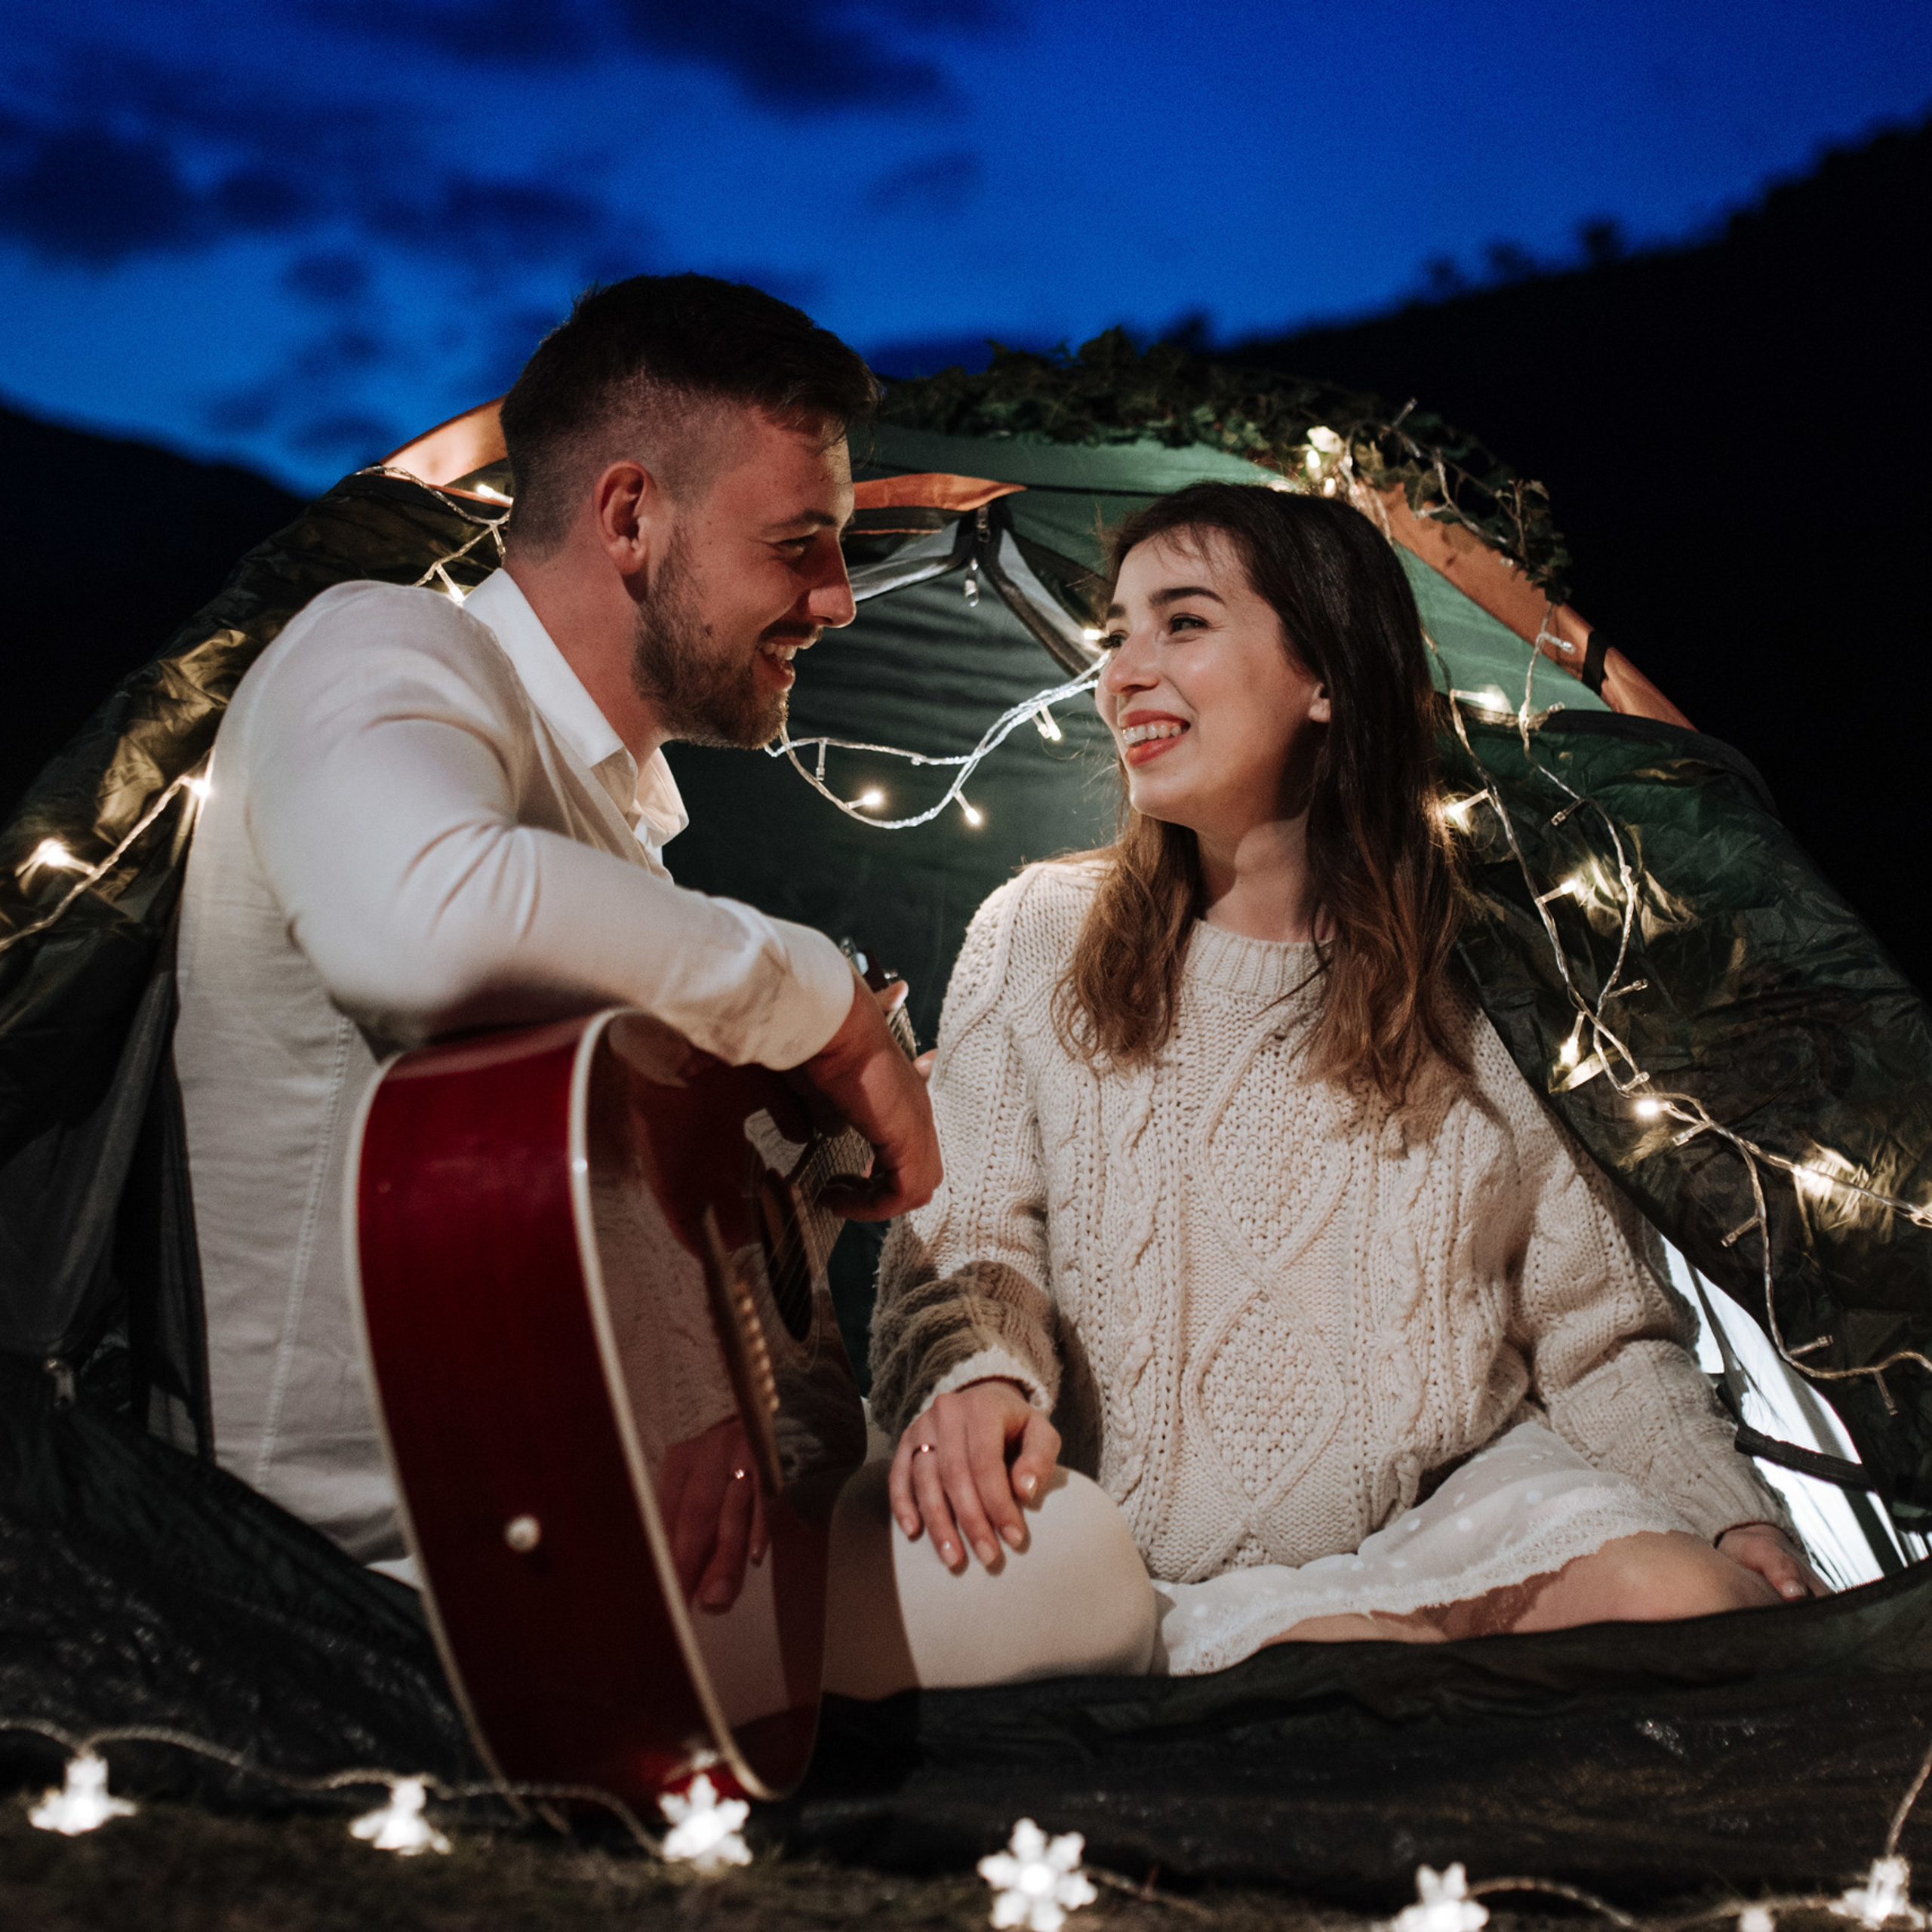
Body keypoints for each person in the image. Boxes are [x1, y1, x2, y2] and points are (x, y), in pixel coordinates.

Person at [824, 481, 1823, 1697]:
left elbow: (1600, 1334)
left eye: (1182, 623)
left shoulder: (1484, 979)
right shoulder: (1039, 932)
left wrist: (1733, 1521)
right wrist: (977, 1377)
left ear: (1326, 678)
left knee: (1695, 1610)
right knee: (1338, 1686)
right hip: (1150, 1558)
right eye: (1116, 634)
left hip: (1461, 1516)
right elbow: (967, 1231)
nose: (1124, 673)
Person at [172, 273, 940, 1574]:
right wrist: (826, 1008)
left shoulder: (625, 843)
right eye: (796, 541)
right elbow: (428, 925)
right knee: (1071, 1588)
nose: (838, 600)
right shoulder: (382, 646)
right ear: (631, 515)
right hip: (351, 1592)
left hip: (563, 1530)